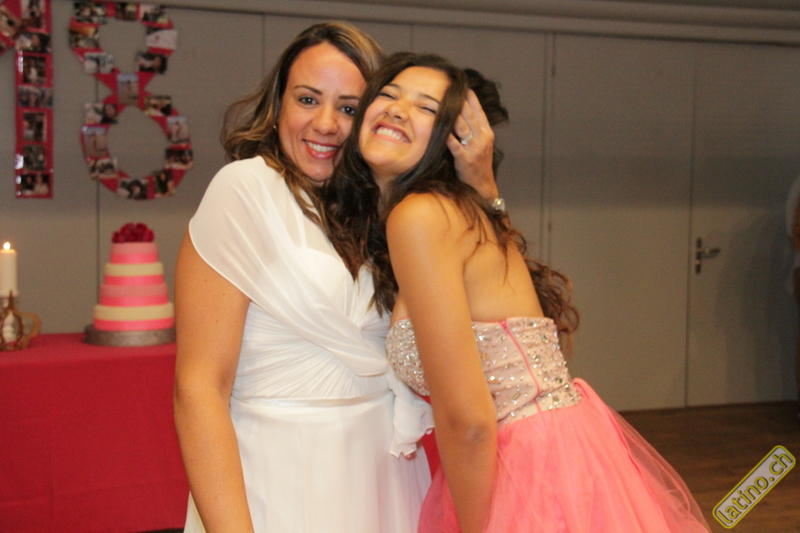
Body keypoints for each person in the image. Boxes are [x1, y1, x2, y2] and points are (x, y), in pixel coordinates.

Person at [325, 51, 711, 533]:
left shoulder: (420, 216)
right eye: (388, 94)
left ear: (450, 139)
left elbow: (469, 420)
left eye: (426, 107)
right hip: (555, 449)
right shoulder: (458, 212)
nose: (399, 109)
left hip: (524, 468)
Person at [173, 22, 499, 533]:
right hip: (274, 477)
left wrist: (483, 186)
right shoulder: (245, 191)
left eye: (348, 108)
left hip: (387, 478)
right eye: (307, 99)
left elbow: (495, 312)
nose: (325, 124)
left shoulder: (391, 211)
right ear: (278, 103)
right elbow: (198, 389)